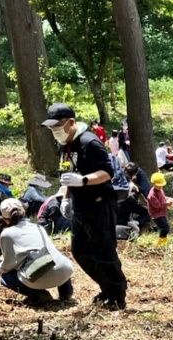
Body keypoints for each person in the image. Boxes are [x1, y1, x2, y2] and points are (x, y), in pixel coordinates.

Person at [43, 102, 128, 310]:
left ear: (71, 122)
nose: (55, 132)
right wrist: (64, 197)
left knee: (104, 250)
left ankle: (117, 295)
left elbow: (107, 172)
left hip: (99, 204)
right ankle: (106, 288)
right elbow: (66, 175)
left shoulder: (90, 143)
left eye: (57, 127)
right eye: (51, 128)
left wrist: (83, 180)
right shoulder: (66, 145)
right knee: (80, 250)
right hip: (80, 206)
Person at [0, 198, 74, 304]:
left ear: (4, 219)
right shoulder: (38, 227)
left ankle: (39, 295)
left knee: (5, 277)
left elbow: (9, 264)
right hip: (65, 271)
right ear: (24, 211)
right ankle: (66, 292)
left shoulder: (6, 234)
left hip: (38, 278)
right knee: (54, 256)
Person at [147, 172, 173, 246]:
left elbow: (163, 198)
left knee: (165, 227)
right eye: (158, 185)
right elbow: (157, 205)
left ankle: (163, 241)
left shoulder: (160, 190)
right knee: (165, 227)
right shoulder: (152, 195)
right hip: (156, 214)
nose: (160, 187)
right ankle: (160, 242)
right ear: (154, 184)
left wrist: (168, 199)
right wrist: (167, 203)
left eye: (161, 185)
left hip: (161, 212)